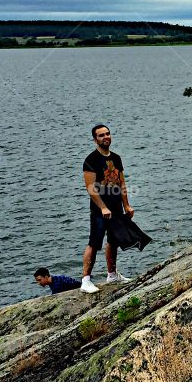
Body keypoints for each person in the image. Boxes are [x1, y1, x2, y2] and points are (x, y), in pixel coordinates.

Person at [80, 124, 136, 293]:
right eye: (101, 135)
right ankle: (85, 280)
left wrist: (126, 204)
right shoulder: (91, 160)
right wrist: (103, 207)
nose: (106, 137)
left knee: (113, 240)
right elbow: (90, 188)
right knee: (94, 242)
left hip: (116, 206)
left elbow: (121, 183)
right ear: (95, 139)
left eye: (107, 134)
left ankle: (112, 274)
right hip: (100, 209)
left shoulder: (116, 158)